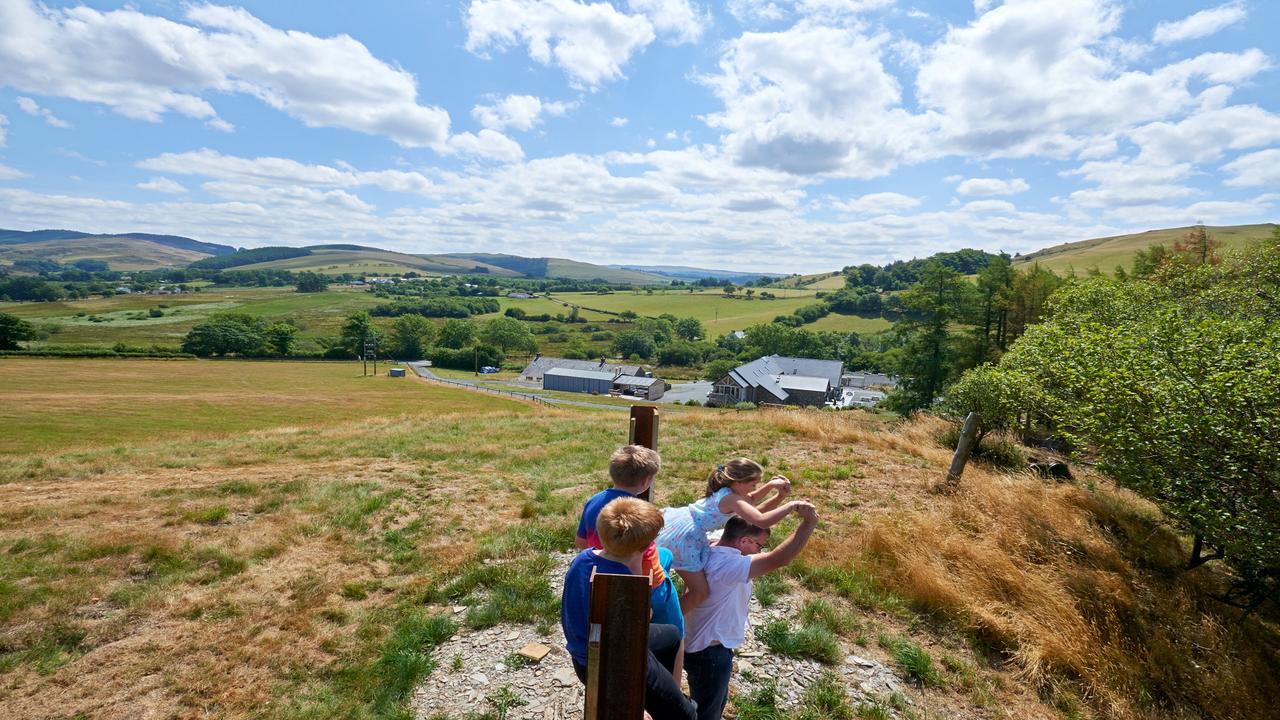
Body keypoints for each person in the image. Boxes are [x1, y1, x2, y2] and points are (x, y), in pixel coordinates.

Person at [561, 497, 697, 720]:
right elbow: (645, 619)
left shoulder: (582, 559)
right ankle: (646, 698)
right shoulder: (626, 587)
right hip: (609, 665)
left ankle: (653, 697)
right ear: (643, 549)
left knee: (672, 635)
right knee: (687, 714)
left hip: (585, 647)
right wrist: (636, 569)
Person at [682, 505, 820, 720]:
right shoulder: (728, 565)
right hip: (710, 653)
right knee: (707, 712)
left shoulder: (711, 543)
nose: (760, 551)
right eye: (760, 545)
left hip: (697, 643)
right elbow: (779, 559)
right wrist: (808, 523)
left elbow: (742, 521)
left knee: (709, 703)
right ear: (744, 541)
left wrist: (780, 500)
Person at [655, 458, 797, 612]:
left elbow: (752, 500)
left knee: (693, 584)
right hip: (687, 537)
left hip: (679, 522)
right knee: (700, 592)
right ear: (739, 483)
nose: (754, 488)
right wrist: (791, 506)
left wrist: (775, 491)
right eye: (753, 484)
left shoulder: (727, 491)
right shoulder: (732, 499)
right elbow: (761, 520)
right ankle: (665, 622)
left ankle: (683, 619)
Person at [576, 445, 685, 641]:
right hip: (644, 584)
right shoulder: (638, 514)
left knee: (665, 554)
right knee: (676, 630)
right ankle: (673, 650)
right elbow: (638, 568)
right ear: (646, 481)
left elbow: (581, 541)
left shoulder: (593, 501)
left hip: (601, 571)